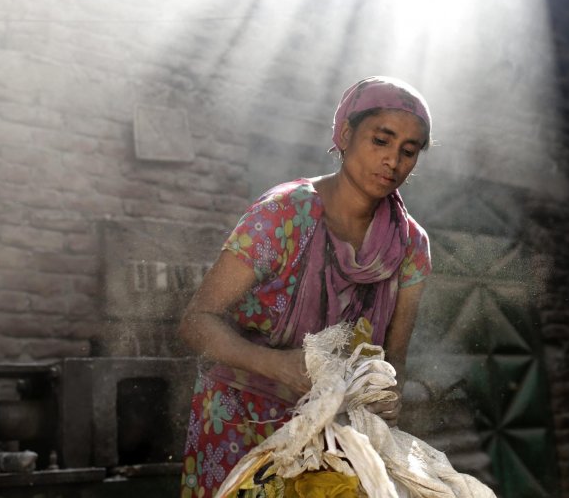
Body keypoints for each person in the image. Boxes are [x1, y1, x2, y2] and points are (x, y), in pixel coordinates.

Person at [178, 76, 433, 498]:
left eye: (408, 152)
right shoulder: (283, 215)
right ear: (346, 134)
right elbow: (195, 322)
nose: (393, 161)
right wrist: (273, 364)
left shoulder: (410, 247)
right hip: (241, 426)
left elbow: (393, 359)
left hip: (337, 439)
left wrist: (387, 395)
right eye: (381, 141)